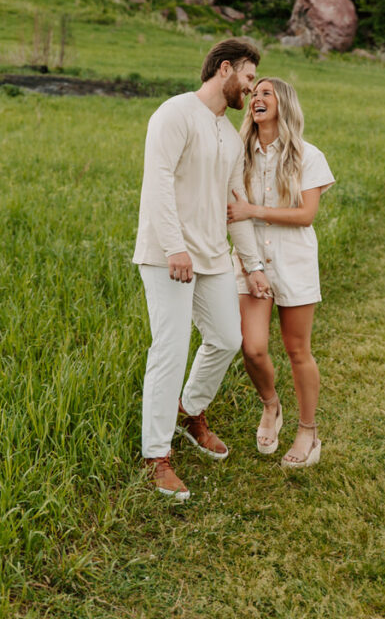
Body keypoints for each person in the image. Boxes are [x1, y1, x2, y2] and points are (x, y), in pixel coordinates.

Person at [133, 39, 270, 501]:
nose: (252, 91)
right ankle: (156, 456)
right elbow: (157, 184)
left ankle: (190, 412)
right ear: (225, 69)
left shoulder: (229, 136)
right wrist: (175, 247)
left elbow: (235, 205)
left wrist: (251, 264)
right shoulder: (174, 114)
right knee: (169, 348)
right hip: (166, 255)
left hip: (211, 257)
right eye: (249, 78)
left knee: (228, 338)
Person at [227, 77, 335, 468]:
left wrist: (253, 211)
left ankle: (308, 431)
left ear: (283, 103)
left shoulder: (309, 156)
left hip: (294, 262)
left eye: (265, 93)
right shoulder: (239, 155)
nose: (256, 98)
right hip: (250, 261)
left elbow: (306, 215)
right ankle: (271, 405)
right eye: (254, 94)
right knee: (252, 347)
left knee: (297, 350)